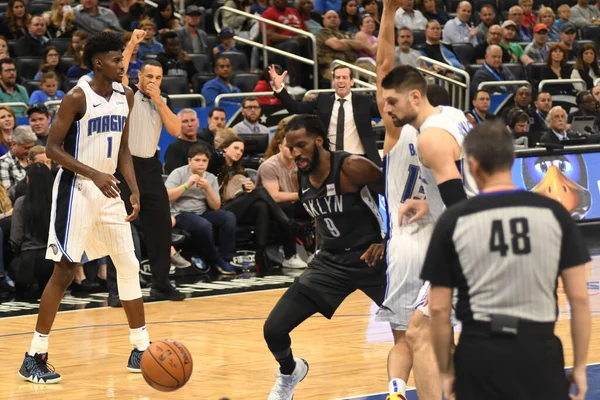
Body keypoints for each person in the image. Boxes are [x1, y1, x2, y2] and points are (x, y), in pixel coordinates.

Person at [423, 121, 591, 400]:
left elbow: (439, 310)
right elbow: (579, 298)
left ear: (473, 165)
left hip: (479, 353)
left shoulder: (453, 221)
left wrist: (446, 372)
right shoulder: (554, 213)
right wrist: (581, 366)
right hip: (539, 350)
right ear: (512, 160)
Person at [17, 31, 150, 384]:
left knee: (128, 261)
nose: (123, 63)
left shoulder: (126, 96)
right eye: (117, 59)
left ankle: (140, 348)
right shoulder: (77, 97)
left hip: (109, 189)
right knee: (65, 270)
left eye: (123, 58)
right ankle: (34, 355)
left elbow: (123, 147)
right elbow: (53, 150)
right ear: (98, 62)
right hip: (76, 189)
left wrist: (133, 189)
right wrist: (94, 174)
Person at [263, 114, 386, 399]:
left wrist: (386, 239)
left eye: (301, 145)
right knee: (274, 329)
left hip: (373, 259)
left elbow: (394, 196)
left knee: (415, 329)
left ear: (319, 141)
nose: (295, 154)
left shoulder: (353, 167)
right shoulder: (298, 176)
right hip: (330, 263)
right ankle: (290, 371)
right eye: (290, 148)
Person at [379, 59, 478, 399]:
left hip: (468, 242)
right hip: (480, 234)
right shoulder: (451, 115)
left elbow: (459, 207)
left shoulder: (429, 140)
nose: (386, 109)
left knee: (419, 334)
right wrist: (428, 203)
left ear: (416, 97)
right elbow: (463, 177)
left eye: (392, 102)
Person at [107, 30, 184, 302]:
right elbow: (119, 71)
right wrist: (131, 44)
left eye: (158, 78)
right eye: (149, 76)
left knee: (162, 227)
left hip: (151, 166)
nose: (153, 81)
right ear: (139, 76)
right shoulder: (124, 92)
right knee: (119, 227)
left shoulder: (161, 102)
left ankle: (161, 284)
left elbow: (176, 130)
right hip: (123, 166)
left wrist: (159, 99)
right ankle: (117, 291)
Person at [270, 64, 382, 166]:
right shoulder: (323, 100)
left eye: (345, 77)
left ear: (352, 81)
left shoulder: (364, 100)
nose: (341, 81)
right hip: (330, 160)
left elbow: (382, 111)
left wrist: (383, 88)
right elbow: (296, 108)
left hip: (359, 158)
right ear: (333, 81)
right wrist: (280, 88)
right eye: (337, 78)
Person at [166, 144, 237, 275]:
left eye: (204, 161)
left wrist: (208, 189)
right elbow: (167, 196)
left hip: (202, 212)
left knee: (228, 218)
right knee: (204, 225)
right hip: (181, 213)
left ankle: (226, 258)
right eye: (197, 160)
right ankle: (215, 259)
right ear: (189, 161)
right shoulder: (179, 173)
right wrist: (187, 185)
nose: (201, 164)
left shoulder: (210, 178)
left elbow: (216, 206)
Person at [9, 163, 55, 298]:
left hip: (28, 263)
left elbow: (15, 238)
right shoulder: (57, 203)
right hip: (53, 261)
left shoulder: (21, 203)